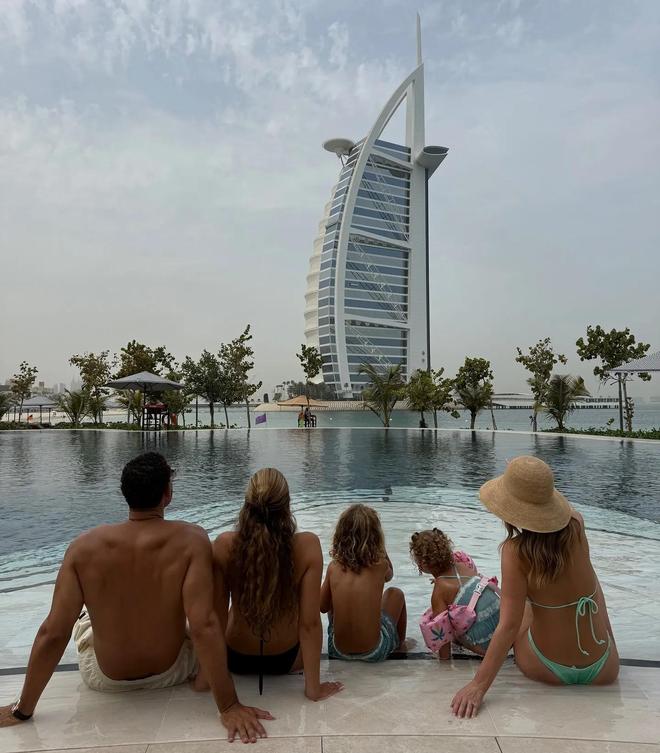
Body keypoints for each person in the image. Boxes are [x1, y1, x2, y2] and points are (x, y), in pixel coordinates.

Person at [0, 452, 271, 743]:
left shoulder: (83, 548)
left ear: (125, 494)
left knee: (83, 618)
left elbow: (53, 633)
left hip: (104, 679)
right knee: (186, 619)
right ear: (167, 494)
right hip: (171, 671)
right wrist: (229, 706)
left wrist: (22, 710)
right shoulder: (192, 541)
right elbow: (203, 625)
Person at [451, 456, 619, 718]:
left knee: (523, 609)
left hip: (548, 668)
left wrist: (478, 685)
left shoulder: (514, 552)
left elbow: (508, 626)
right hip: (604, 667)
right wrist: (611, 645)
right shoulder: (577, 525)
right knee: (590, 585)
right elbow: (596, 594)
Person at [203, 468, 343, 701]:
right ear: (287, 506)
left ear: (247, 505)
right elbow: (309, 624)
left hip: (234, 656)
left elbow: (215, 618)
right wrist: (314, 689)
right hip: (286, 659)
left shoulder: (225, 545)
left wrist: (204, 676)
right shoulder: (307, 546)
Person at [321, 504, 406, 662]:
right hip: (374, 651)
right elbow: (390, 576)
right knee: (396, 593)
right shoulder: (380, 566)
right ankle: (399, 644)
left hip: (338, 650)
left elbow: (322, 606)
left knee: (333, 593)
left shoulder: (333, 567)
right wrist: (381, 549)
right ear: (376, 537)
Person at [411, 529, 500, 659]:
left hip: (487, 647)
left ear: (422, 563)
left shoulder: (440, 588)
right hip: (506, 634)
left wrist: (444, 661)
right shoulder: (463, 567)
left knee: (447, 622)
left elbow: (442, 635)